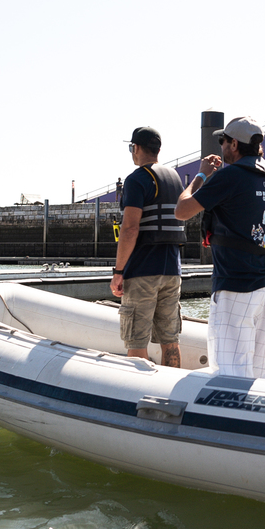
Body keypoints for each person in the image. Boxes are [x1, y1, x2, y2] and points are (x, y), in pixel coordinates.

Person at [176, 116, 265, 379]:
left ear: (234, 144)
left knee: (230, 370)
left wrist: (201, 174)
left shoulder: (230, 176)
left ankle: (231, 417)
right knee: (262, 368)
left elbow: (182, 210)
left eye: (223, 141)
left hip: (237, 283)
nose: (222, 147)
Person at [110, 127, 185, 367]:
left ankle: (138, 395)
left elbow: (130, 229)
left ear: (137, 148)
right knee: (170, 340)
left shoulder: (137, 179)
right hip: (172, 270)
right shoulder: (174, 177)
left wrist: (118, 271)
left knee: (137, 341)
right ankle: (172, 392)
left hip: (143, 271)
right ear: (159, 149)